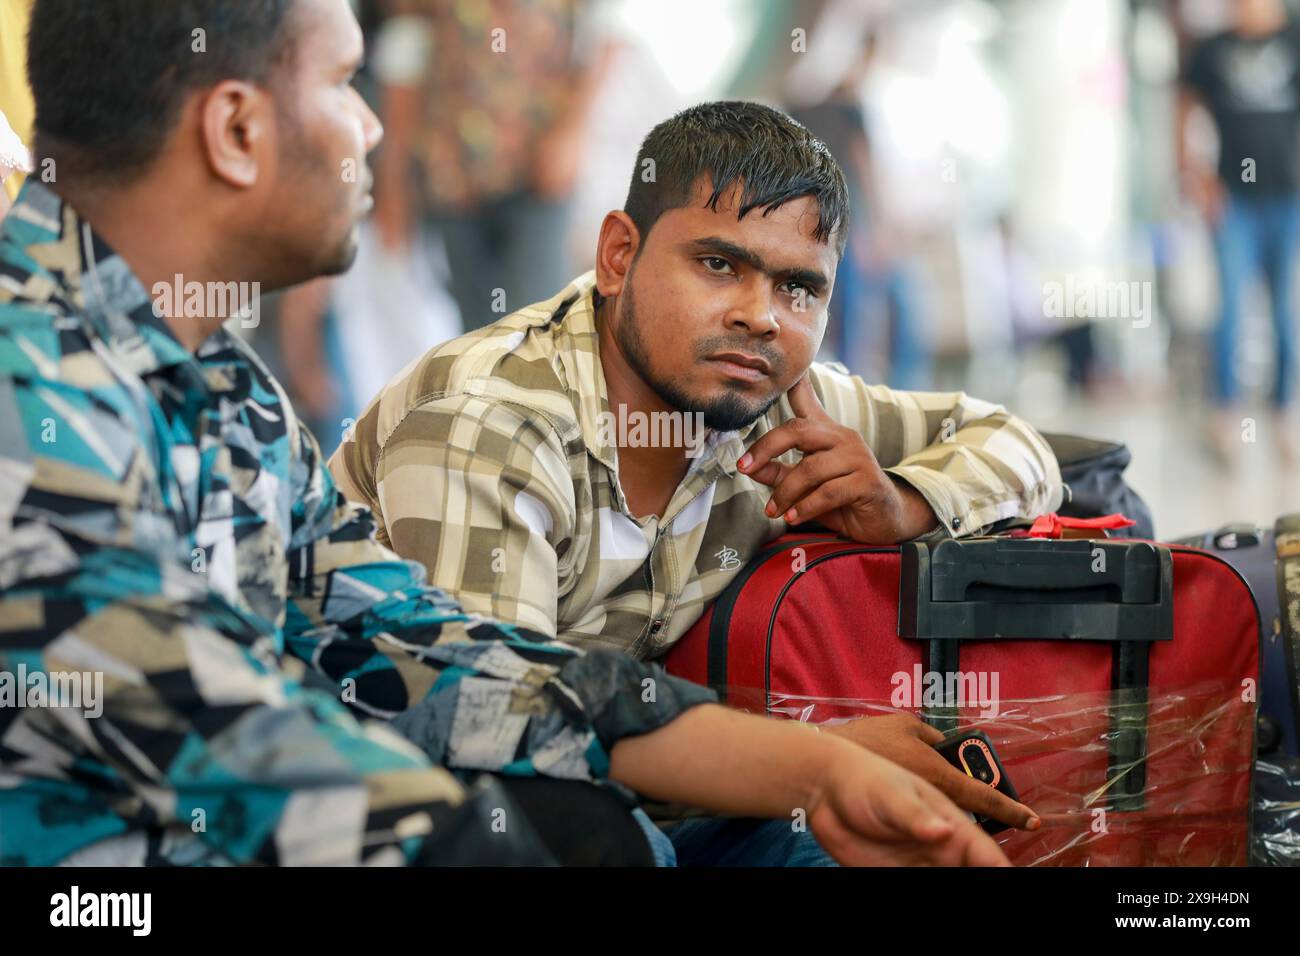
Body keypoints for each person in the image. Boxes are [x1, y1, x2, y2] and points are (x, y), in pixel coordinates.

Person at [0, 0, 1013, 868]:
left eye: (795, 285)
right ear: (235, 128)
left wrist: (818, 766)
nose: (370, 129)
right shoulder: (28, 383)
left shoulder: (222, 386)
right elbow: (232, 742)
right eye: (347, 83)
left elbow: (425, 649)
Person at [329, 100, 1062, 853]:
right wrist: (817, 759)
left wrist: (899, 501)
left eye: (798, 288)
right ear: (619, 256)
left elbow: (1017, 443)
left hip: (650, 795)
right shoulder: (490, 422)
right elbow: (499, 727)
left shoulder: (780, 404)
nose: (761, 316)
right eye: (720, 265)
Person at [1179, 0, 1300, 462]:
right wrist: (1194, 175)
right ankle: (1225, 417)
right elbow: (1183, 105)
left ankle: (1284, 413)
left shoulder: (1294, 37)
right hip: (1234, 204)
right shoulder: (1212, 50)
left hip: (1287, 198)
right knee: (1230, 309)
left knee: (1284, 312)